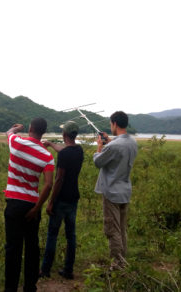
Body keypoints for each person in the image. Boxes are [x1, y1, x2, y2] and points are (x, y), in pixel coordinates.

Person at [3, 118, 54, 292]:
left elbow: (9, 133)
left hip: (14, 204)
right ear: (43, 133)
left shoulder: (16, 142)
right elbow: (48, 185)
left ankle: (10, 288)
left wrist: (16, 128)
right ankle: (30, 287)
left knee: (13, 249)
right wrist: (36, 208)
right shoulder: (47, 156)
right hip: (32, 205)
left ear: (31, 128)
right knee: (32, 248)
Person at [93, 111, 138, 269]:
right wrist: (109, 142)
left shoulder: (114, 146)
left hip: (112, 192)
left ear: (115, 124)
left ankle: (118, 265)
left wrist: (99, 146)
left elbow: (98, 162)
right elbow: (117, 150)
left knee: (112, 229)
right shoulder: (132, 142)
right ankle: (123, 261)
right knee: (121, 228)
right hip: (124, 191)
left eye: (111, 124)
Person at [40, 121, 84, 280]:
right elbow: (65, 150)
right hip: (74, 198)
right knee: (71, 236)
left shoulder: (65, 154)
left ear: (64, 135)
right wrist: (51, 144)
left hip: (61, 200)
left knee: (52, 234)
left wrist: (51, 201)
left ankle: (45, 270)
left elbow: (59, 179)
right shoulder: (79, 150)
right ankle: (68, 270)